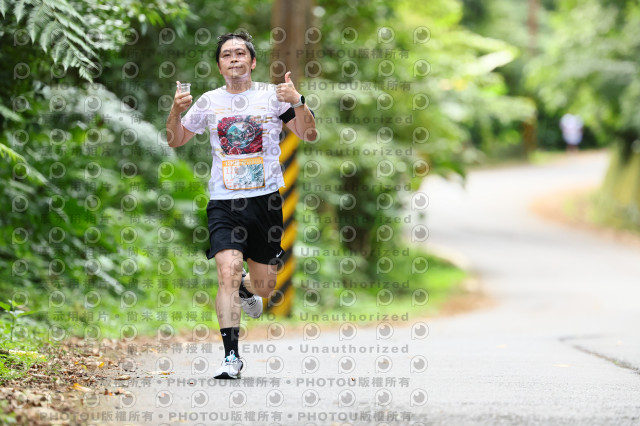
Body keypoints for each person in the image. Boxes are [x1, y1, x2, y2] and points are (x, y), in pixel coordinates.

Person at [165, 31, 317, 379]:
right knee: (227, 271)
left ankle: (249, 288)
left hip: (266, 201)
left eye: (239, 53)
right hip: (224, 201)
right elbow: (175, 140)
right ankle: (231, 356)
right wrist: (175, 111)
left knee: (264, 287)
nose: (233, 59)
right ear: (219, 66)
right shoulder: (208, 102)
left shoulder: (273, 96)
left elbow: (309, 133)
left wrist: (299, 101)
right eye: (226, 55)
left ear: (252, 61)